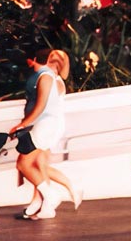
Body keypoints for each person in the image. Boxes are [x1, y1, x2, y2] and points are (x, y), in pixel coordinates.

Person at [9, 47, 81, 220]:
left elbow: (41, 106)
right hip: (46, 126)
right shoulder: (52, 78)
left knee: (28, 164)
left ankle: (53, 196)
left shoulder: (50, 79)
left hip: (46, 126)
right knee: (39, 165)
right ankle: (42, 204)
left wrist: (24, 124)